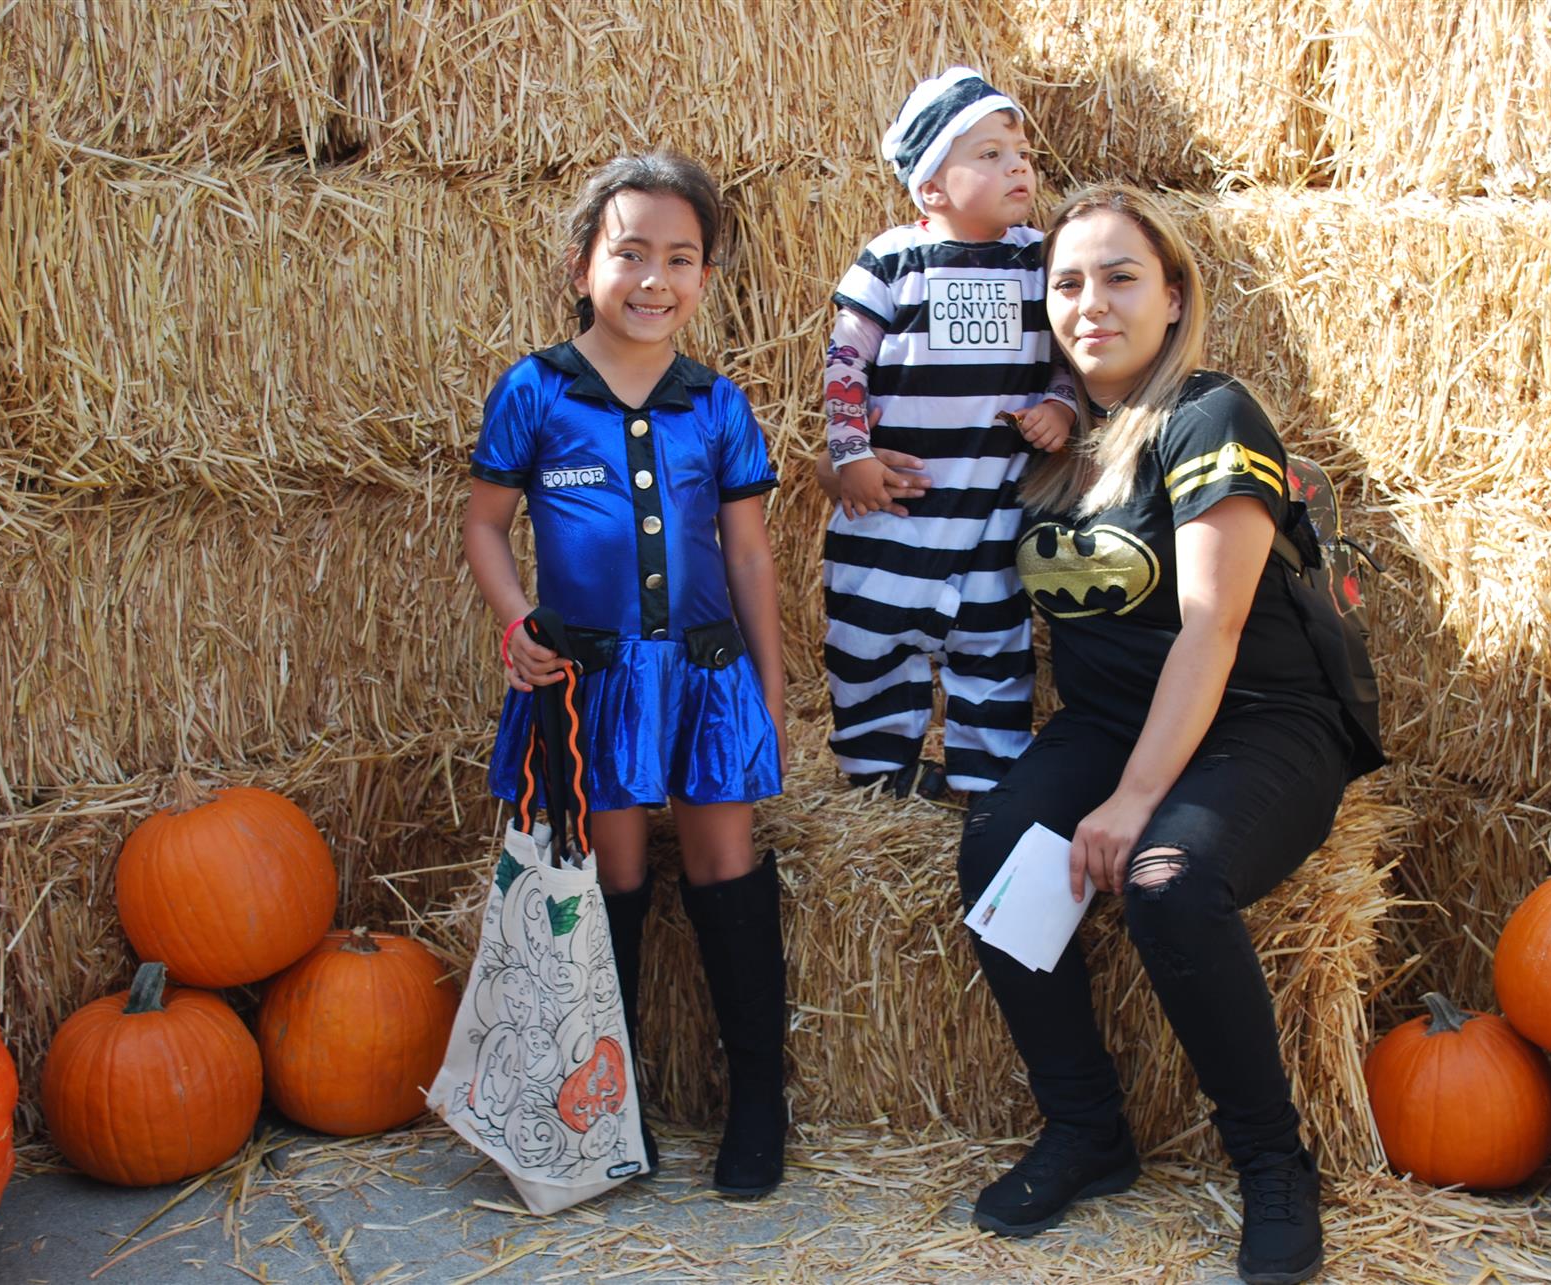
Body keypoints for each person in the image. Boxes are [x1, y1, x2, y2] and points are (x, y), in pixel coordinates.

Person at [956, 185, 1385, 1283]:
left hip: (1262, 718)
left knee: (1168, 880)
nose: (1088, 301)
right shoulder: (1057, 446)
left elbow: (1216, 624)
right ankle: (1088, 1128)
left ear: (1174, 293)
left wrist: (1133, 798)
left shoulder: (1211, 415)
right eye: (1066, 282)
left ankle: (1275, 1167)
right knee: (998, 843)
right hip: (1111, 719)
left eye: (1118, 276)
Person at [462, 152, 790, 1198]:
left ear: (705, 275)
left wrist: (770, 692)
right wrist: (517, 623)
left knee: (724, 868)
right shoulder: (535, 391)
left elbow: (747, 555)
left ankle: (759, 1102)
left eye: (680, 258)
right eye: (631, 252)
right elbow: (484, 525)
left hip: (703, 677)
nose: (654, 278)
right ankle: (611, 1104)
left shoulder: (718, 405)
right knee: (615, 879)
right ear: (582, 262)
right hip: (592, 686)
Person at [821, 66, 1078, 799]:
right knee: (870, 642)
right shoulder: (893, 260)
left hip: (993, 511)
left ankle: (988, 779)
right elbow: (846, 361)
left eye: (1020, 149)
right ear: (932, 186)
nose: (1018, 164)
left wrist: (1058, 404)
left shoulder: (1040, 262)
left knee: (996, 647)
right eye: (989, 153)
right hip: (892, 512)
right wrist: (850, 453)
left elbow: (1065, 360)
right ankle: (879, 779)